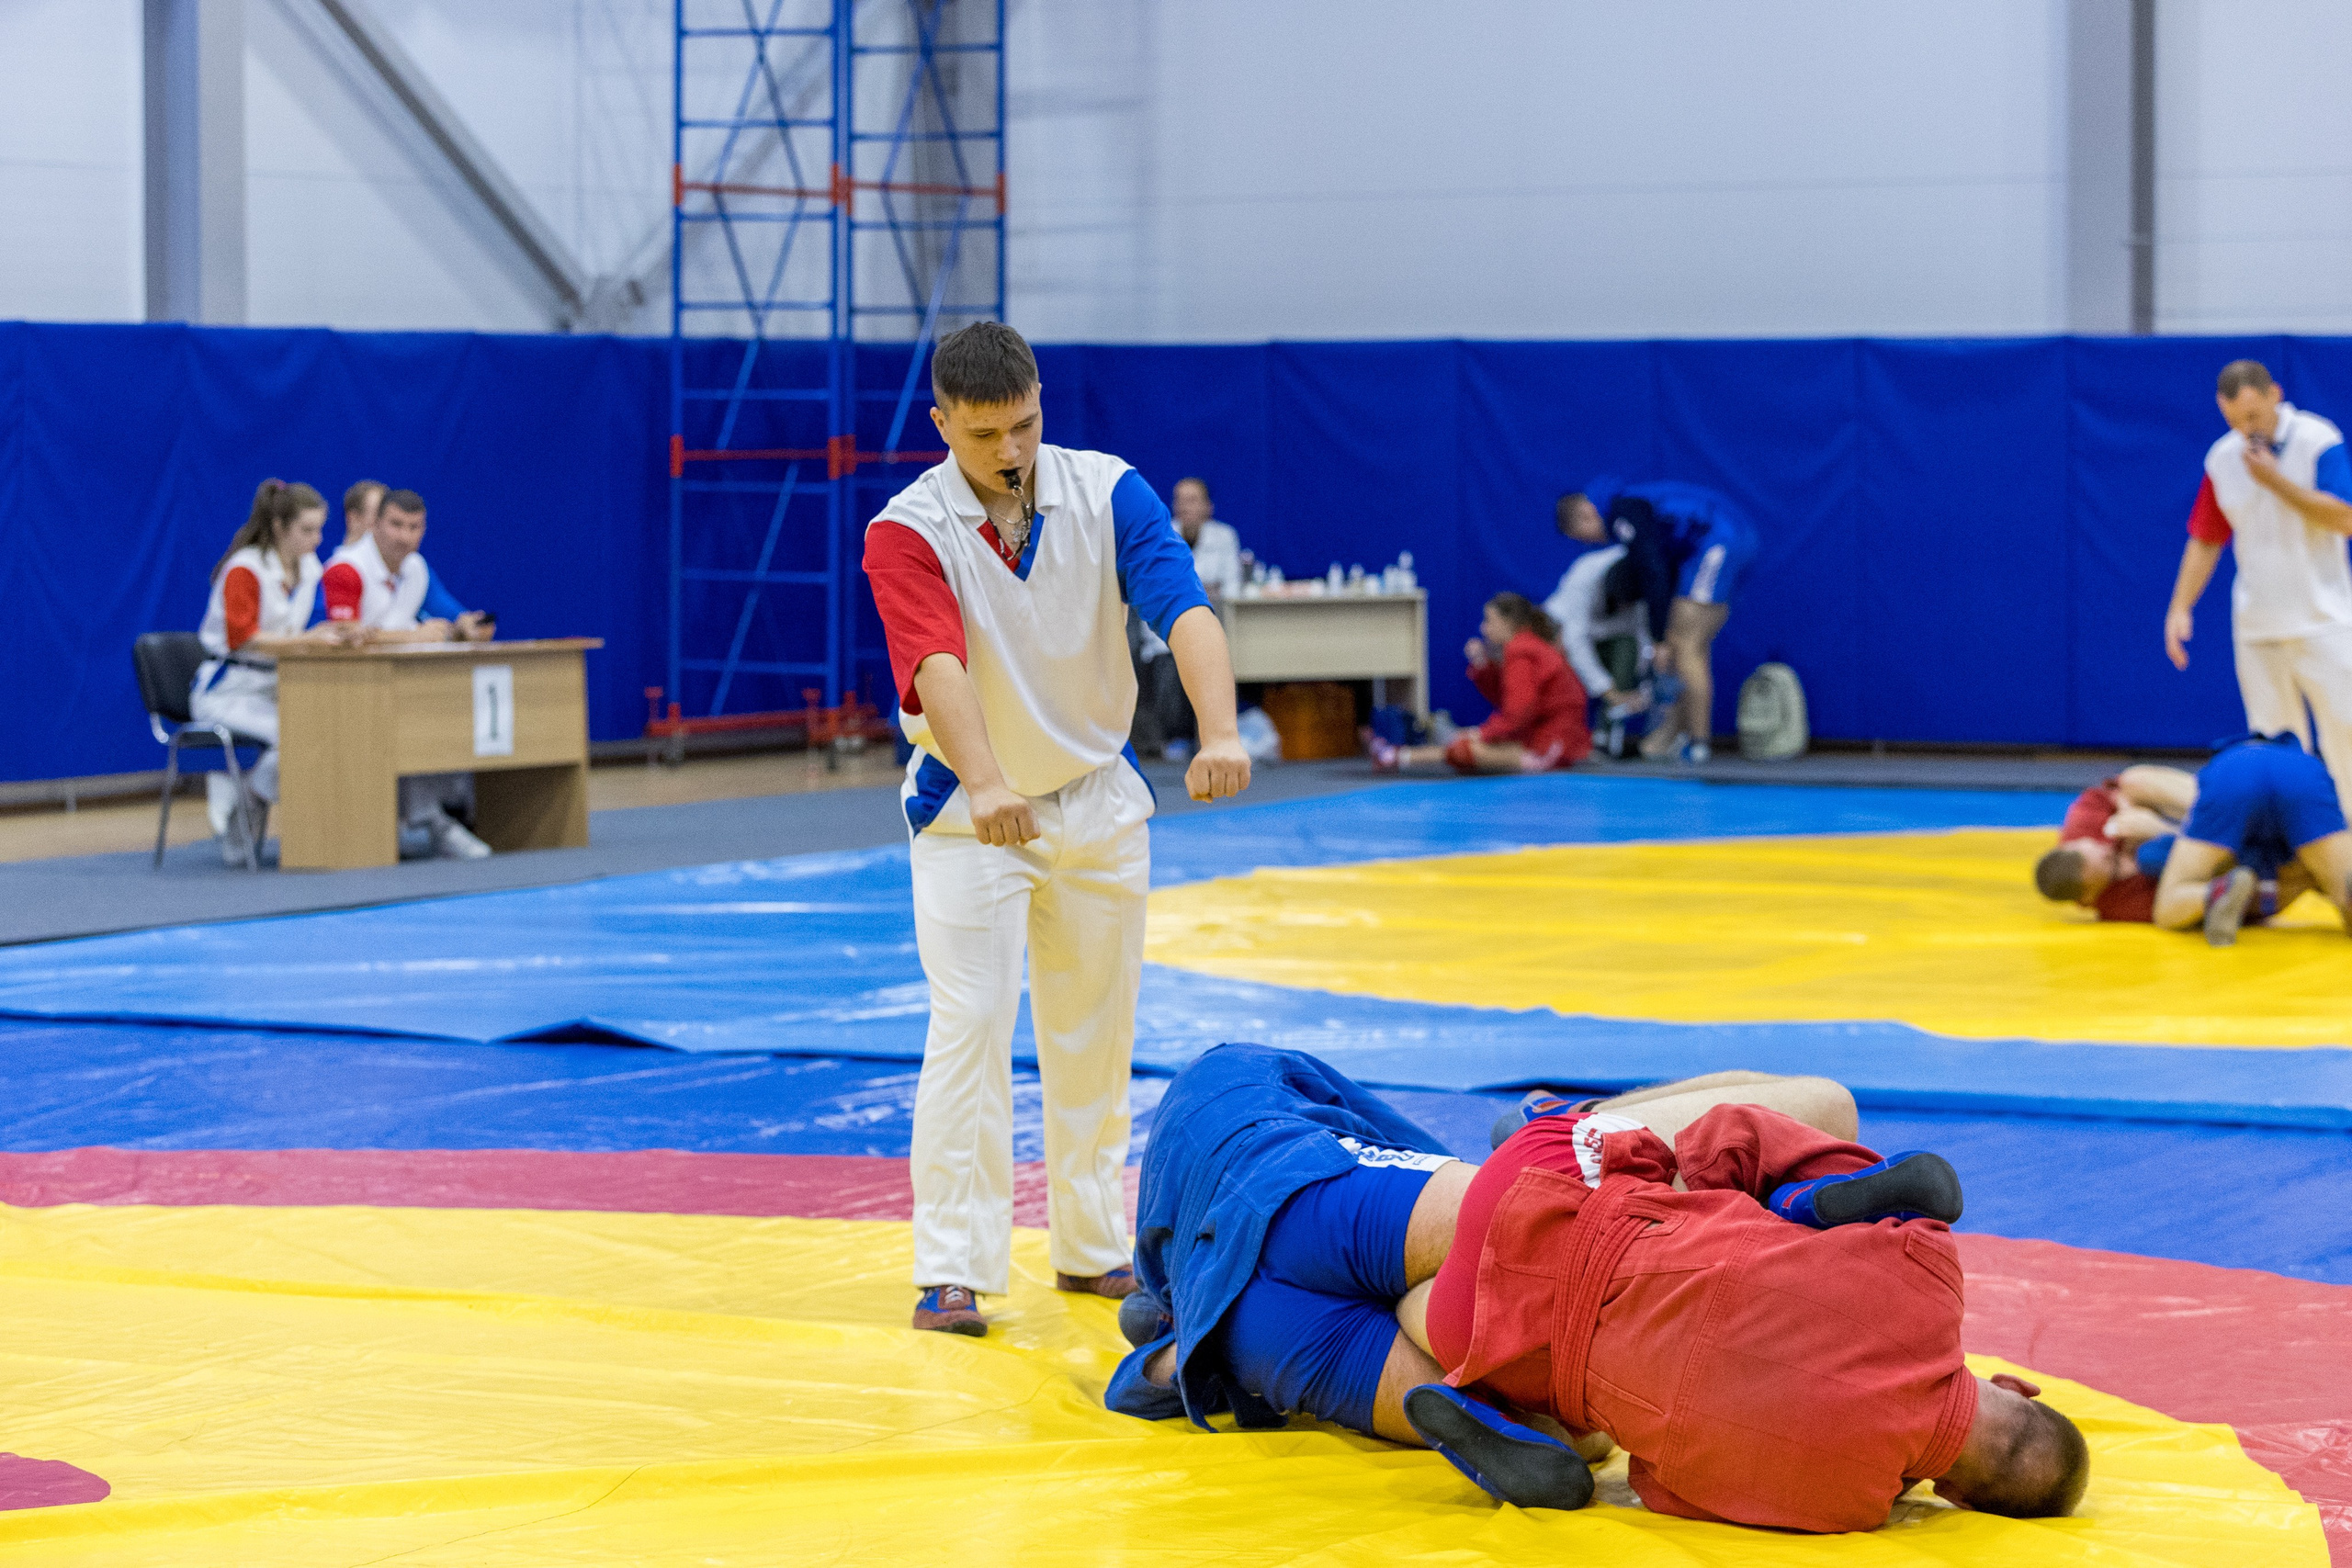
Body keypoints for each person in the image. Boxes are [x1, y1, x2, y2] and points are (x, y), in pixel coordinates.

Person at [1109, 1046, 2087, 1534]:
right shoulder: (1841, 1503)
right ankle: (1522, 1432)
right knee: (1586, 1420)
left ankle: (1803, 1193)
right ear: (1952, 1497)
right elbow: (1662, 1485)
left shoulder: (1929, 1283)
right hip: (1356, 1339)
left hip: (1526, 1209)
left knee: (1812, 1107)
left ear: (2017, 1389)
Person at [860, 321, 1251, 1336]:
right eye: (985, 433)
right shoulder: (907, 530)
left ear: (1042, 401)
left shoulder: (1108, 489)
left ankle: (1089, 1247)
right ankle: (952, 1265)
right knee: (970, 1027)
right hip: (966, 810)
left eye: (1024, 424)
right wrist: (987, 782)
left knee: (1094, 1033)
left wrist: (1217, 728)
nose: (1009, 449)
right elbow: (934, 662)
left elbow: (1183, 608)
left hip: (1095, 797)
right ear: (941, 422)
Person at [2165, 360, 2352, 822]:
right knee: (2275, 748)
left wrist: (2275, 481)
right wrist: (2179, 607)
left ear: (2274, 395)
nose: (2248, 430)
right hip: (2257, 627)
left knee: (2346, 736)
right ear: (2221, 409)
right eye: (2236, 421)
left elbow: (2344, 516)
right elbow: (2207, 537)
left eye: (2255, 417)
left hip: (2324, 620)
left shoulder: (2317, 439)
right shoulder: (2222, 458)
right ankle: (2295, 848)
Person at [322, 489, 495, 860]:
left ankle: (442, 813)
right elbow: (344, 635)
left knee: (445, 704)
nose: (404, 536)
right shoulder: (345, 569)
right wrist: (412, 635)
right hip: (341, 689)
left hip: (402, 684)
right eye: (396, 525)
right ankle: (431, 819)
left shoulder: (416, 568)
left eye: (414, 527)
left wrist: (462, 626)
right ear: (375, 525)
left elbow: (448, 615)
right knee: (412, 716)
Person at [190, 480, 356, 865]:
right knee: (298, 736)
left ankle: (278, 807)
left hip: (279, 686)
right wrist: (309, 640)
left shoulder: (311, 569)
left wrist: (342, 630)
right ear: (281, 527)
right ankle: (248, 804)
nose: (317, 539)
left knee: (333, 727)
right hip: (228, 690)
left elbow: (312, 627)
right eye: (307, 530)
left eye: (319, 529)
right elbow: (242, 637)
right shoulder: (246, 568)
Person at [1557, 478, 1760, 763]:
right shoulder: (1634, 508)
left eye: (1585, 536)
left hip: (1720, 539)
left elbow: (1653, 571)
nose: (1595, 542)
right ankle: (1673, 736)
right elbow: (1659, 573)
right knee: (1686, 647)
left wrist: (1658, 639)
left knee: (1686, 646)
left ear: (1586, 513)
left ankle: (1699, 744)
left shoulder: (1622, 512)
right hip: (1726, 538)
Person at [2145, 731, 2352, 944]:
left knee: (2168, 906)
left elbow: (2136, 781)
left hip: (2232, 774)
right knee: (2338, 883)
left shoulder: (2224, 765)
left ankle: (2213, 892)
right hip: (2302, 774)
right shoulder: (2299, 760)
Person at [1367, 593, 1589, 773]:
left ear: (1507, 622)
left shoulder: (1521, 650)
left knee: (1464, 749)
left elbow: (1519, 712)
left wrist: (1481, 734)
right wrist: (1482, 666)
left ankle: (1395, 756)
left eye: (1489, 621)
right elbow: (1506, 700)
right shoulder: (1525, 646)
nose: (1484, 628)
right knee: (1465, 746)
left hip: (1551, 744)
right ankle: (1396, 755)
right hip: (1545, 736)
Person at [1131, 478, 1240, 756]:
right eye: (1179, 500)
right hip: (1164, 634)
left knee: (1207, 664)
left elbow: (1231, 589)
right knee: (1169, 676)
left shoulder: (1224, 537)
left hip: (1213, 629)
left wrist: (1186, 589)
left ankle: (1212, 740)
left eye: (1192, 500)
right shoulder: (1162, 534)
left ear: (1208, 507)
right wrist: (1203, 588)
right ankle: (1173, 740)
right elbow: (1155, 588)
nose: (1185, 507)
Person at [2032, 764, 2198, 921]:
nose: (2107, 851)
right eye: (2108, 862)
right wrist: (2160, 832)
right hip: (2194, 855)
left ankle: (2216, 804)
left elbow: (2116, 788)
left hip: (2181, 813)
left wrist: (2128, 810)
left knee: (2134, 780)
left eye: (2103, 851)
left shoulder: (2081, 826)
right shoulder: (2121, 905)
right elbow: (2186, 893)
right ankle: (2209, 832)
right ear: (2088, 899)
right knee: (2151, 857)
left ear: (2072, 845)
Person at [1544, 540, 1652, 755]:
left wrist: (1640, 691)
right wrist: (1610, 692)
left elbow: (1644, 642)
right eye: (1618, 602)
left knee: (1627, 646)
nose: (1623, 608)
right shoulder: (1584, 575)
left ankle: (1606, 732)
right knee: (1557, 647)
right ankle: (1555, 733)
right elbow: (1575, 642)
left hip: (1608, 643)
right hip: (1566, 638)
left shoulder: (1646, 579)